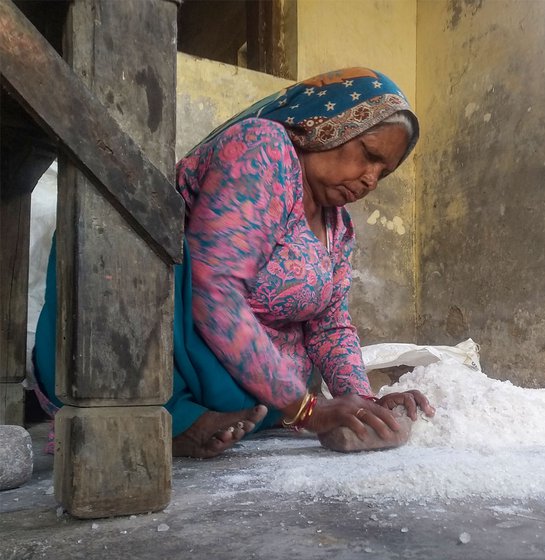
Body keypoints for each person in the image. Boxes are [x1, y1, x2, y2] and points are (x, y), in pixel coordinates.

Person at [33, 67, 435, 458]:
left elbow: (330, 325)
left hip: (254, 385)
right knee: (125, 243)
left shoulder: (339, 228)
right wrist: (304, 408)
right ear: (328, 123)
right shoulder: (264, 148)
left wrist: (363, 402)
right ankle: (174, 417)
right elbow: (213, 291)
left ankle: (239, 411)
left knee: (294, 374)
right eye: (368, 155)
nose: (369, 180)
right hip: (178, 353)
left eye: (383, 173)